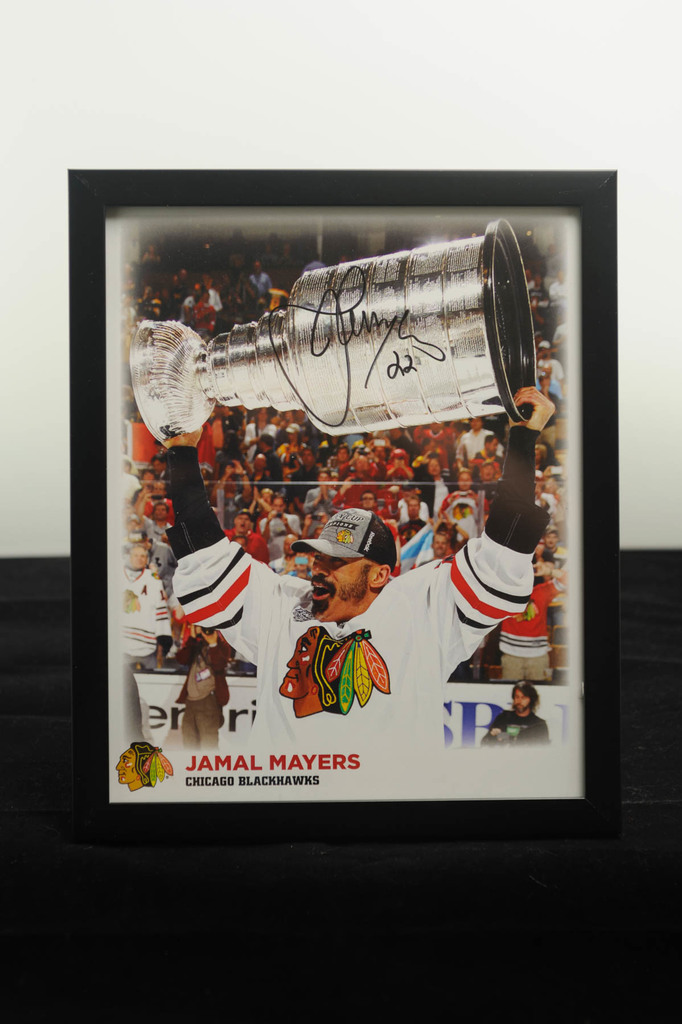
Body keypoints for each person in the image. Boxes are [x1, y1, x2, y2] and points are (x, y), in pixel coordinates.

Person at [159, 386, 554, 760]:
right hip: (289, 801)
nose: (318, 570)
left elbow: (501, 557)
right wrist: (182, 452)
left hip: (386, 803)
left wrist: (522, 437)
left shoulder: (424, 608)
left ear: (379, 575)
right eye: (318, 558)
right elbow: (207, 563)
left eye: (337, 562)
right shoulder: (283, 604)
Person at [122, 543, 173, 740]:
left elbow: (161, 610)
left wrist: (163, 641)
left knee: (149, 695)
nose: (139, 559)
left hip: (146, 648)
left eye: (143, 556)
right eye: (136, 555)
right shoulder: (116, 576)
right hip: (122, 648)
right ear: (129, 556)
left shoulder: (153, 580)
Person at [498, 569, 567, 682]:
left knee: (538, 691)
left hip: (537, 655)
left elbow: (568, 579)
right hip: (511, 654)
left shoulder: (541, 591)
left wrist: (548, 571)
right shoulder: (504, 590)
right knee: (513, 692)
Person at [175, 625, 230, 750]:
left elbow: (220, 664)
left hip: (208, 701)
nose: (206, 631)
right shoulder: (196, 645)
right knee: (189, 746)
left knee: (208, 747)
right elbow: (181, 659)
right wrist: (192, 638)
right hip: (190, 703)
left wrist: (213, 644)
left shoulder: (221, 645)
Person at [480, 682, 550, 746]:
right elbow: (484, 743)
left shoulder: (539, 724)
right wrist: (492, 735)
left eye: (523, 698)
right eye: (517, 697)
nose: (519, 701)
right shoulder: (503, 717)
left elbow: (544, 750)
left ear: (531, 700)